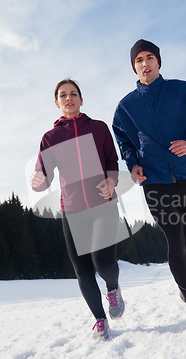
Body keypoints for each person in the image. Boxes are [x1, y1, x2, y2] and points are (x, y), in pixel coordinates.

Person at [113, 40, 186, 328]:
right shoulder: (126, 107)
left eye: (149, 58)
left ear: (159, 62)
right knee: (174, 239)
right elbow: (123, 138)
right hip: (154, 180)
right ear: (134, 67)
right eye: (139, 60)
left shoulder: (183, 90)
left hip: (185, 174)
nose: (145, 64)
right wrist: (132, 163)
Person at [31, 79, 124, 340]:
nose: (68, 98)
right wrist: (38, 181)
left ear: (81, 100)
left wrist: (111, 180)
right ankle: (100, 320)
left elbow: (111, 161)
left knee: (103, 262)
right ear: (57, 102)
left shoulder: (98, 128)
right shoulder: (50, 138)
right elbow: (45, 176)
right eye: (63, 95)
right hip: (72, 211)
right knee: (82, 271)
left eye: (73, 94)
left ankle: (113, 288)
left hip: (103, 205)